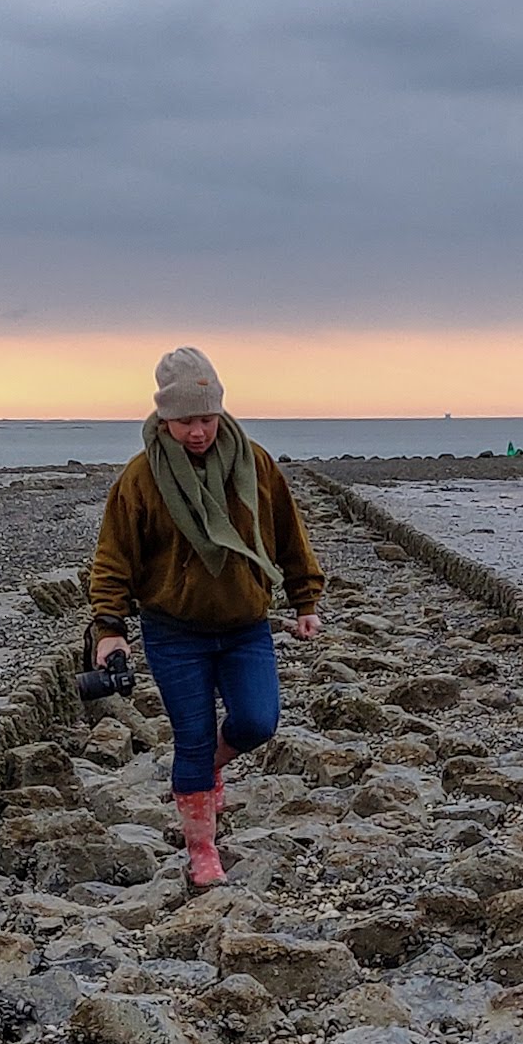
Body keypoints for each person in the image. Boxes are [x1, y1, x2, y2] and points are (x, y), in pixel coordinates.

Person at [89, 347, 325, 886]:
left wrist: (304, 600)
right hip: (174, 632)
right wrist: (109, 630)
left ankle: (208, 770)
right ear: (163, 418)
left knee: (257, 722)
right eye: (184, 421)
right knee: (191, 739)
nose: (197, 431)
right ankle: (202, 851)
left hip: (245, 627)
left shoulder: (256, 462)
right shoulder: (141, 477)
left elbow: (289, 532)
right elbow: (113, 557)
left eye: (206, 418)